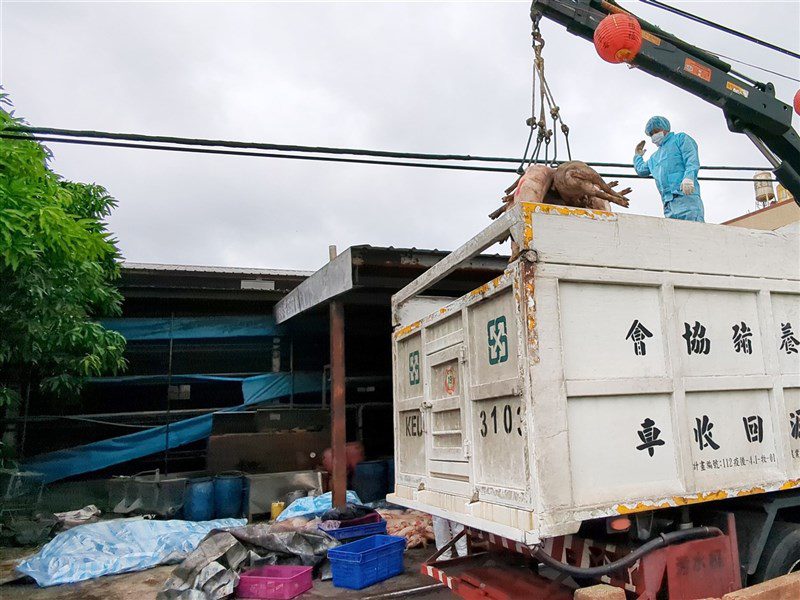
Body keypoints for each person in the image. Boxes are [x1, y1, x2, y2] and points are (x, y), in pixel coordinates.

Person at [633, 116, 705, 222]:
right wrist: (638, 156)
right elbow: (641, 170)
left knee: (695, 233)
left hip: (686, 196)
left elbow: (691, 159)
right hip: (668, 203)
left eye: (656, 131)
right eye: (651, 134)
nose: (654, 136)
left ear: (665, 128)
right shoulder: (654, 158)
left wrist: (689, 177)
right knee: (674, 236)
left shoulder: (680, 139)